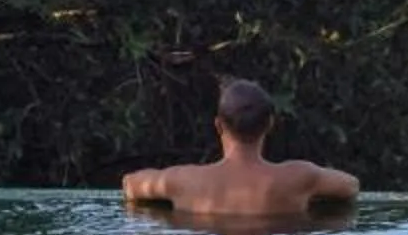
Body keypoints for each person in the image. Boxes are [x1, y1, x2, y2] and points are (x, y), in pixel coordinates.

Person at [120, 76, 359, 220]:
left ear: (218, 125)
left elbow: (130, 185)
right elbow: (351, 186)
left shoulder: (184, 180)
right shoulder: (299, 177)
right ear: (270, 124)